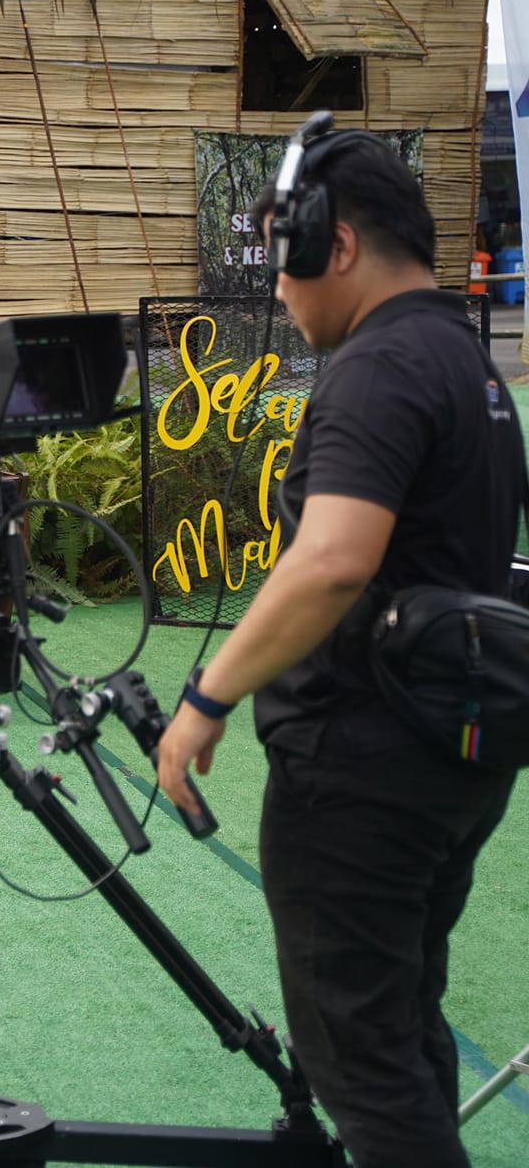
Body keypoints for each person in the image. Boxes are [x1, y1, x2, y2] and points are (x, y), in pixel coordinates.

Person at [156, 131, 521, 1168]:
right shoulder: (461, 356)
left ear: (340, 243)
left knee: (357, 1057)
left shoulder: (379, 366)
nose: (278, 287)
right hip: (450, 753)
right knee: (400, 1020)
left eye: (286, 257)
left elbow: (331, 560)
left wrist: (206, 698)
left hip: (365, 767)